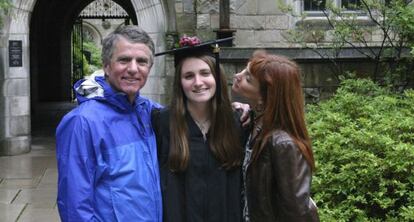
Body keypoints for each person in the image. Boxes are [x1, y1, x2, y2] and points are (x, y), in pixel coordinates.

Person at [55, 25, 163, 221]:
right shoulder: (82, 122)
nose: (133, 68)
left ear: (149, 68)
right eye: (124, 60)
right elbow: (75, 207)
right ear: (106, 65)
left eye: (141, 61)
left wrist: (235, 109)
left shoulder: (150, 112)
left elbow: (192, 119)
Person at [151, 36, 247, 221]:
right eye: (188, 76)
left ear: (217, 77)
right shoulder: (162, 123)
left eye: (205, 73)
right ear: (180, 83)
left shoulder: (238, 123)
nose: (198, 82)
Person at [232, 50, 320, 221]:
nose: (237, 75)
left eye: (248, 79)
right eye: (244, 70)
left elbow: (297, 212)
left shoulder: (283, 144)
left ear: (265, 98)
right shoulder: (254, 123)